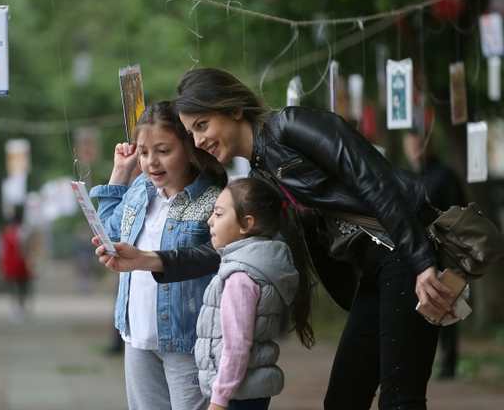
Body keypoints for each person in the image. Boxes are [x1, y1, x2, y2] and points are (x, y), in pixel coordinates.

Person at [95, 68, 455, 409]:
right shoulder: (262, 178)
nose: (200, 140)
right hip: (376, 273)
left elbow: (376, 181)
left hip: (406, 255)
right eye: (191, 133)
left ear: (234, 110)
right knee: (344, 399)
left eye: (203, 125)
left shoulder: (292, 126)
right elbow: (230, 252)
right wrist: (148, 260)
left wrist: (422, 263)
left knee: (400, 398)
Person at [90, 101, 226, 410]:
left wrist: (145, 258)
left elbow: (217, 256)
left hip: (188, 339)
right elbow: (111, 234)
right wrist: (120, 175)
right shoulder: (140, 189)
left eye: (164, 151)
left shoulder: (214, 200)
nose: (152, 162)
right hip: (136, 334)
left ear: (190, 147)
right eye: (144, 152)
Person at [196, 177, 313, 410]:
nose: (210, 221)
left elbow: (236, 346)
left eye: (218, 214)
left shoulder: (241, 277)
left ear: (246, 224)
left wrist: (219, 400)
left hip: (236, 394)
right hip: (248, 390)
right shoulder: (260, 266)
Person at [403, 131, 466, 379]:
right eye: (411, 144)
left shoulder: (444, 176)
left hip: (444, 253)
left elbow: (457, 212)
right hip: (416, 254)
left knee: (446, 306)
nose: (415, 149)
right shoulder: (409, 176)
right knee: (419, 309)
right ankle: (418, 362)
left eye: (419, 143)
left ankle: (448, 364)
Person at [0, 207, 35, 315]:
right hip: (19, 263)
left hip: (15, 264)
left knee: (17, 286)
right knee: (21, 286)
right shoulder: (20, 232)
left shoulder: (9, 233)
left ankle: (19, 307)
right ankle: (20, 307)